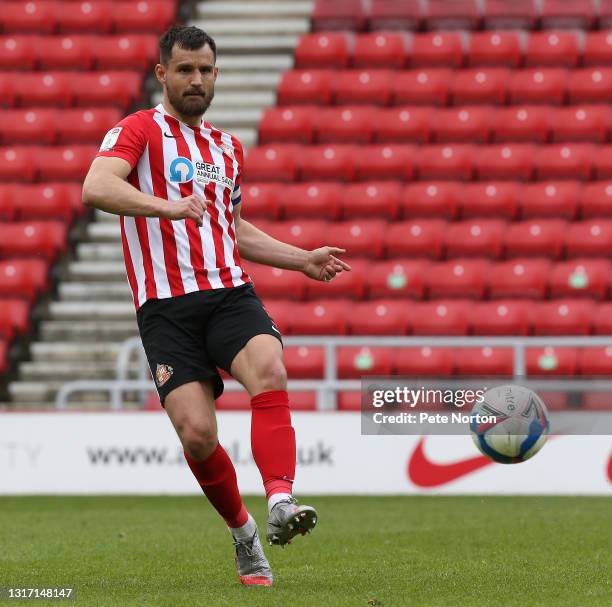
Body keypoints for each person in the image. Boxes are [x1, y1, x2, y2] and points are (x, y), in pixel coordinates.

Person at [82, 25, 351, 586]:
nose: (196, 80)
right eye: (184, 69)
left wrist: (300, 259)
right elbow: (97, 187)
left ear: (216, 74)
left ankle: (281, 500)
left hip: (230, 292)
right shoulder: (139, 130)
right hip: (166, 307)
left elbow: (231, 227)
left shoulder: (227, 148)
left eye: (205, 70)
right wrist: (166, 207)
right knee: (198, 434)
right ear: (163, 74)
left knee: (270, 368)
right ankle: (244, 533)